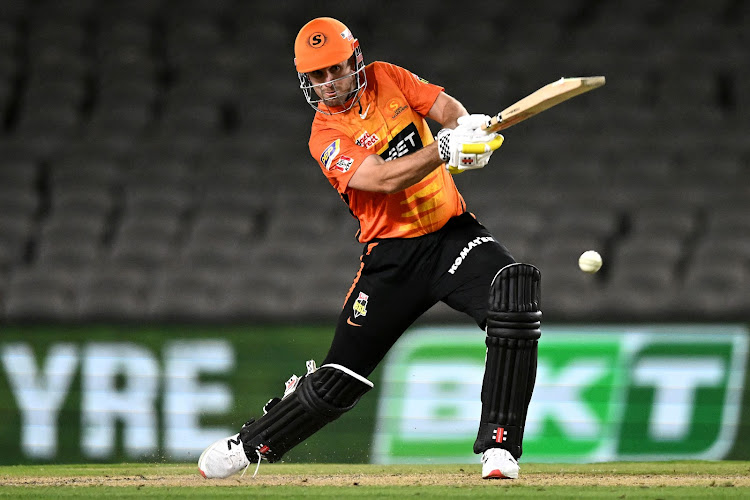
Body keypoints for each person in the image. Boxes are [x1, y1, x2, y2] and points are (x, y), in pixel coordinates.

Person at [198, 17, 542, 480]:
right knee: (339, 380)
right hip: (392, 260)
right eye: (317, 76)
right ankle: (249, 443)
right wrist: (444, 149)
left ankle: (499, 447)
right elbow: (380, 179)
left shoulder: (388, 76)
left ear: (355, 58)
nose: (329, 83)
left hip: (452, 234)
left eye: (335, 69)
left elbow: (447, 108)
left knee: (514, 297)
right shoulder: (323, 136)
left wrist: (468, 133)